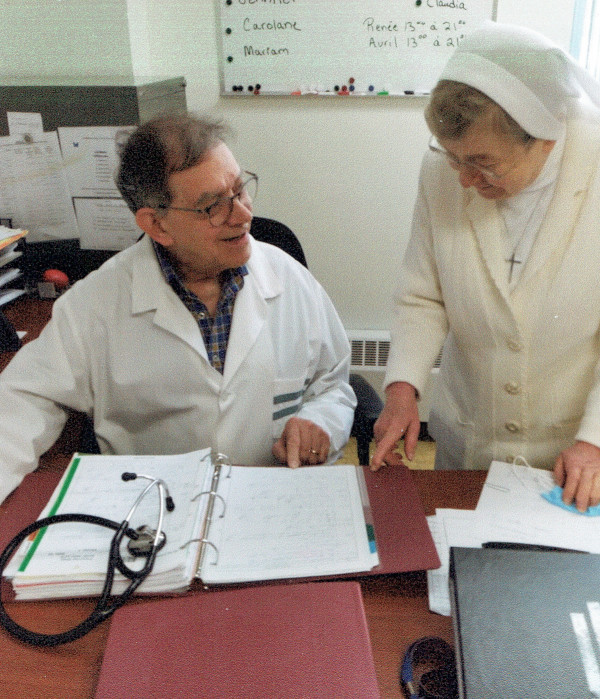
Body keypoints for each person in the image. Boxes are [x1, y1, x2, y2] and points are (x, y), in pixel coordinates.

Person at [0, 113, 356, 506]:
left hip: (272, 502)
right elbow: (19, 405)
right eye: (212, 207)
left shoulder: (291, 280)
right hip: (153, 516)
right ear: (157, 225)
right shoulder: (95, 306)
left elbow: (333, 385)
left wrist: (321, 421)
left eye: (240, 190)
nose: (242, 215)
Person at [371, 21, 600, 513]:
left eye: (483, 163)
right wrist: (402, 389)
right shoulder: (445, 170)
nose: (466, 179)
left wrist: (594, 441)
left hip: (575, 452)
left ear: (545, 138)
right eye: (453, 158)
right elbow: (423, 292)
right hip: (470, 438)